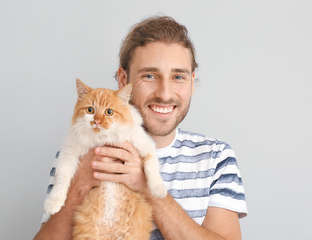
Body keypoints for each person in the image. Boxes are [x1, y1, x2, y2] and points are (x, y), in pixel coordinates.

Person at [34, 16, 247, 240]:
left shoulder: (216, 158)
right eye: (149, 75)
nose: (165, 93)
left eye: (178, 77)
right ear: (123, 79)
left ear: (192, 82)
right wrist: (79, 186)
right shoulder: (82, 152)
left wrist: (147, 186)